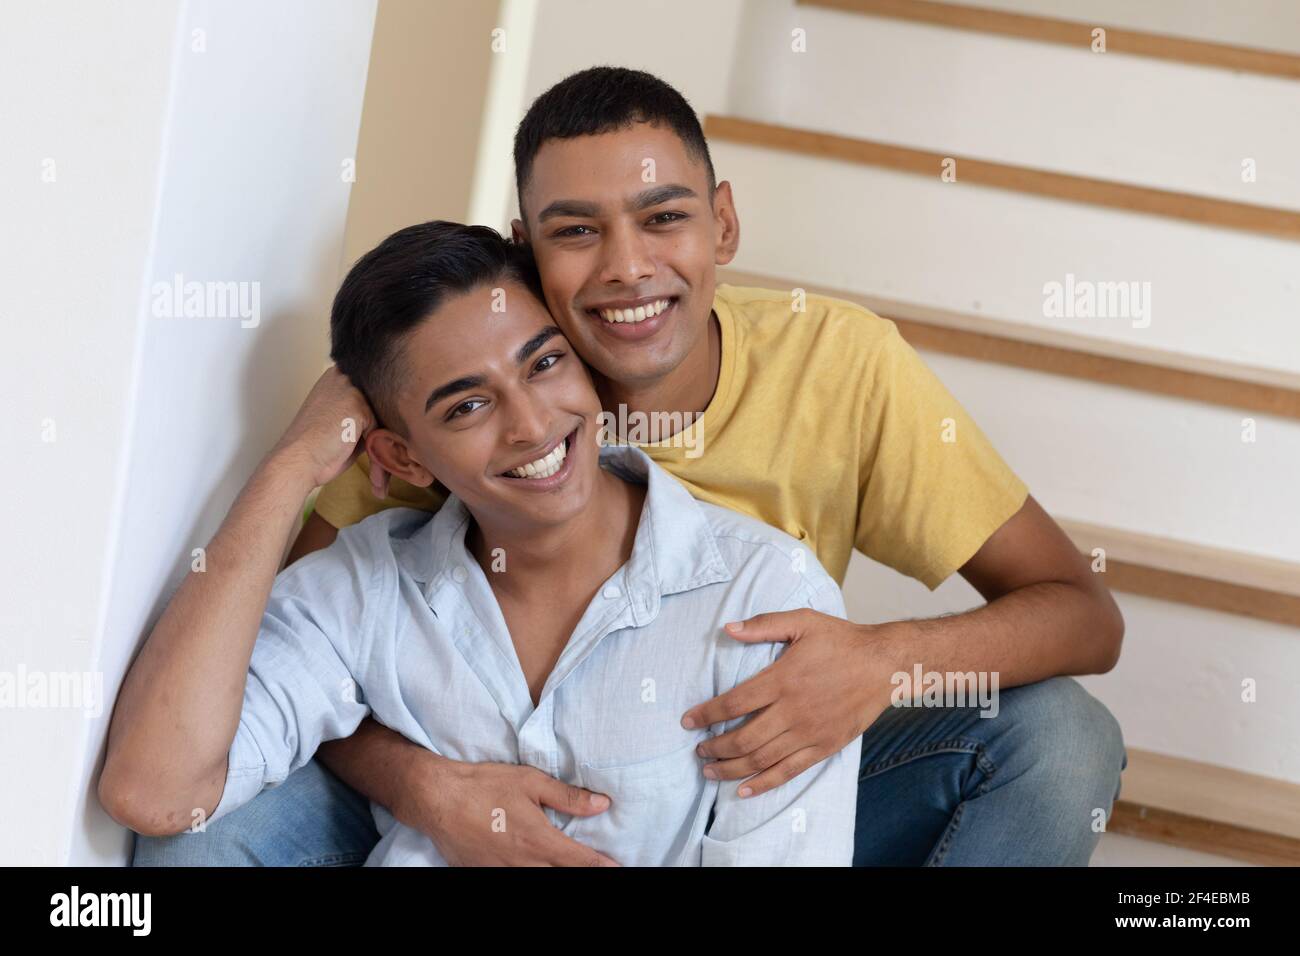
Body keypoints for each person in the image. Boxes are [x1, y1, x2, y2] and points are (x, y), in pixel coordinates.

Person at [134, 66, 1126, 868]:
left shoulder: (839, 368)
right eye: (576, 231)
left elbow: (1081, 614)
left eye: (663, 218)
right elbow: (284, 657)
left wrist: (876, 662)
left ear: (722, 225)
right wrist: (424, 785)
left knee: (1055, 737)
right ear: (526, 252)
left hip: (749, 769)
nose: (626, 267)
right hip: (466, 790)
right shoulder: (452, 391)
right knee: (202, 828)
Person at [99, 221, 860, 866]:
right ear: (402, 458)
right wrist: (293, 464)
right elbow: (154, 792)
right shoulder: (363, 588)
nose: (530, 424)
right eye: (467, 406)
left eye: (545, 363)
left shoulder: (765, 596)